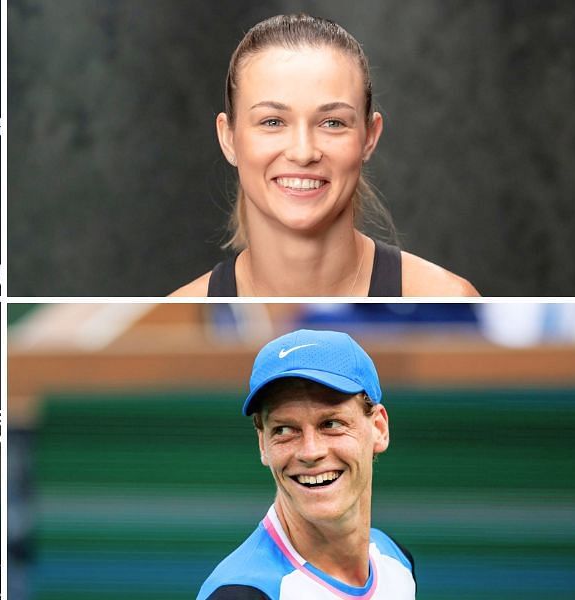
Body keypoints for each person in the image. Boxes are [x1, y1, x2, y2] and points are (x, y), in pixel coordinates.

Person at [171, 14, 477, 297]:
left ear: (369, 137)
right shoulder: (171, 327)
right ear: (228, 138)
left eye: (333, 123)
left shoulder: (449, 302)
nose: (303, 152)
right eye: (272, 122)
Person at [198, 329, 416, 599]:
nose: (310, 452)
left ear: (379, 428)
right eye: (284, 430)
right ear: (262, 444)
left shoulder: (395, 562)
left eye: (331, 424)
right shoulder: (241, 593)